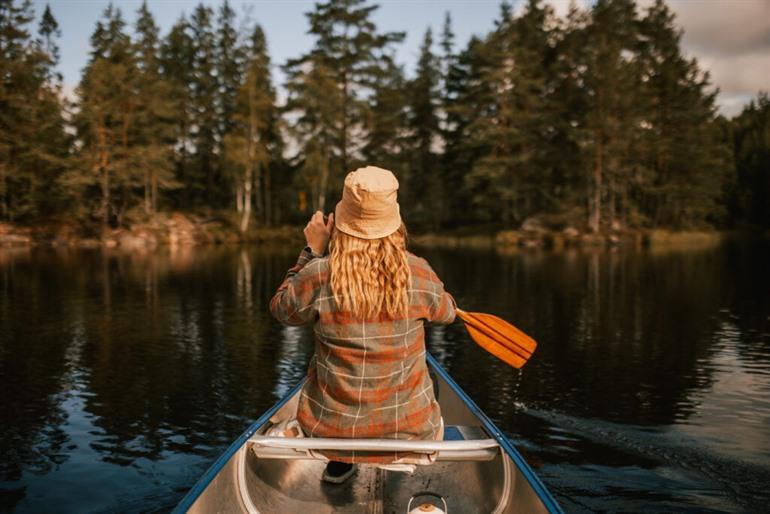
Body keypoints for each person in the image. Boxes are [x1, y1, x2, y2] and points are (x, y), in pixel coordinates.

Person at [270, 165, 456, 484]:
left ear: (339, 222)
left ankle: (341, 462)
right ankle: (398, 459)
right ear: (395, 222)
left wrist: (312, 251)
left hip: (328, 430)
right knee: (430, 373)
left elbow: (282, 310)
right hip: (409, 429)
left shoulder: (317, 274)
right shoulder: (419, 273)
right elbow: (448, 313)